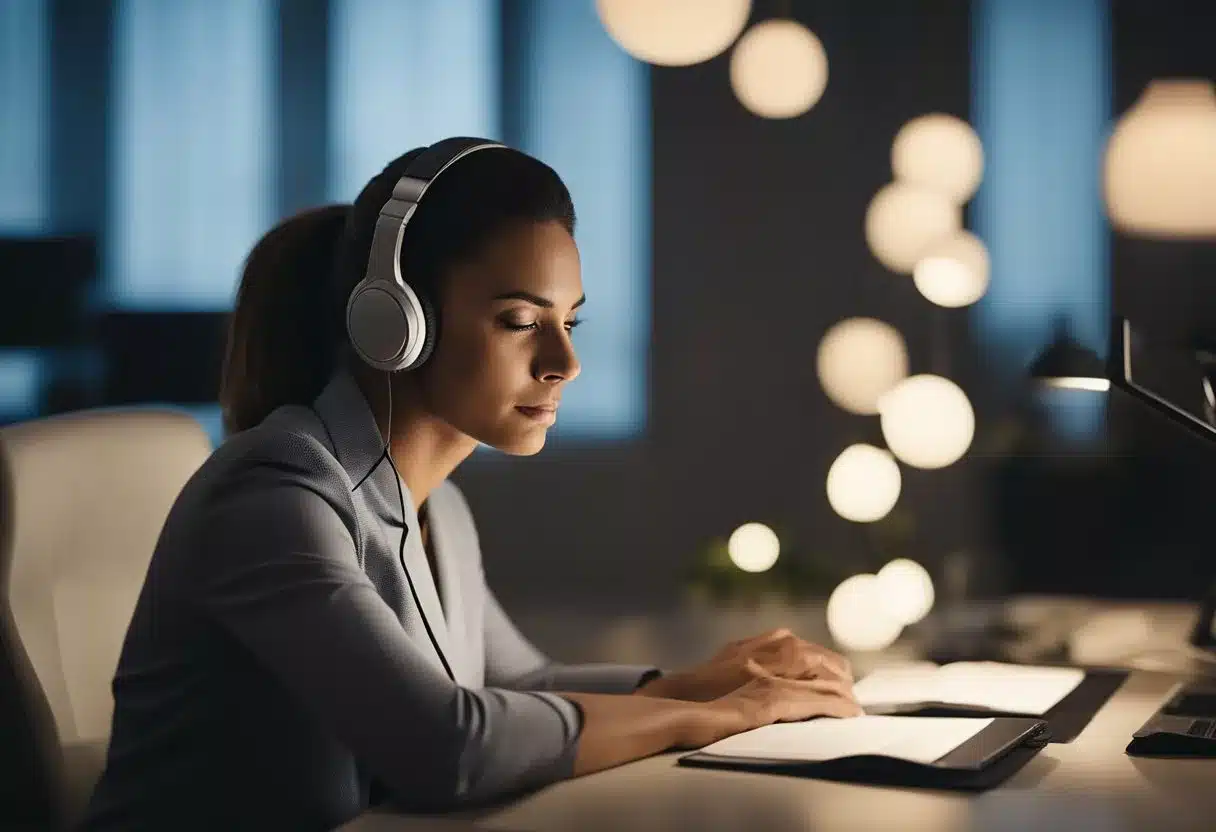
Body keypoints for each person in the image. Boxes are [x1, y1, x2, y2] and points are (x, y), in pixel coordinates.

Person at [81, 139, 861, 832]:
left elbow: (521, 683)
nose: (564, 362)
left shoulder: (435, 506)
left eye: (571, 322)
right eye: (522, 321)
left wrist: (694, 683)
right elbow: (446, 747)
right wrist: (712, 718)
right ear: (395, 321)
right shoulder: (272, 495)